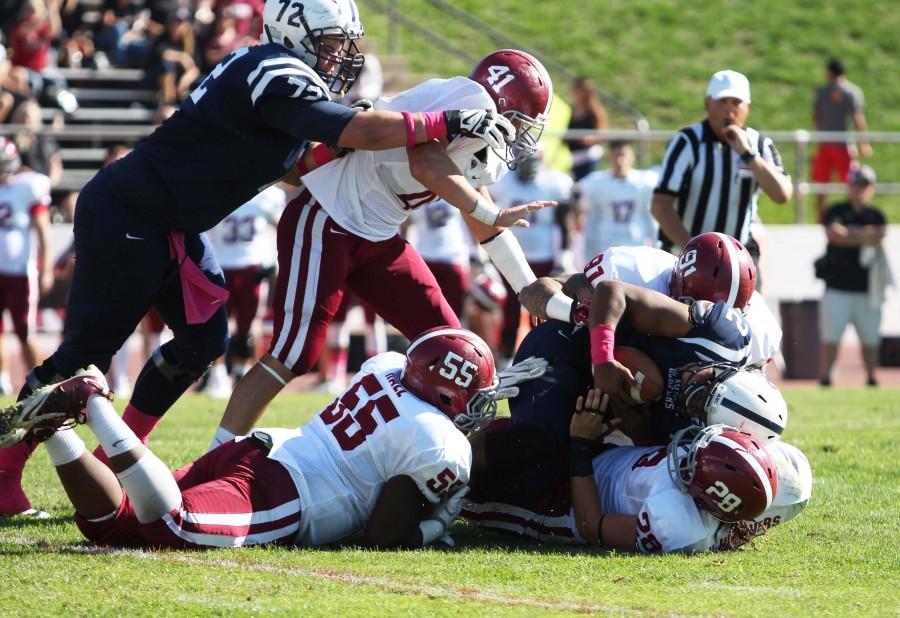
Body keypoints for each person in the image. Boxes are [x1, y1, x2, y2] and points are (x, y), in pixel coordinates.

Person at [0, 0, 516, 517]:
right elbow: (354, 131)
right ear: (295, 32)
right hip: (130, 215)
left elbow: (297, 166)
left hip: (169, 222)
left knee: (204, 340)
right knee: (85, 354)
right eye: (333, 41)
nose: (340, 55)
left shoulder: (278, 77)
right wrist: (441, 120)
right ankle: (4, 473)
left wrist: (373, 135)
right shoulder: (274, 70)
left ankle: (117, 456)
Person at [210, 48, 556, 447]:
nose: (523, 133)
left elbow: (478, 210)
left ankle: (457, 460)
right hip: (328, 217)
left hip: (379, 236)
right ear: (500, 103)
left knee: (453, 351)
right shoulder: (470, 101)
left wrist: (526, 285)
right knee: (294, 352)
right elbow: (427, 163)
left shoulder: (477, 131)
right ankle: (216, 453)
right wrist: (490, 211)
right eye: (520, 120)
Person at [0, 328, 497, 549]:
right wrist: (437, 526)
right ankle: (92, 403)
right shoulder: (440, 442)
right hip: (290, 492)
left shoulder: (387, 365)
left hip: (262, 449)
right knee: (172, 526)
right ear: (451, 391)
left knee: (115, 528)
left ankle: (58, 430)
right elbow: (385, 536)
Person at [463, 409, 811, 554]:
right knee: (509, 432)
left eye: (691, 466)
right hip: (602, 458)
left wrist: (580, 444)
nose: (685, 452)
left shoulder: (680, 525)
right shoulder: (792, 479)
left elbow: (592, 526)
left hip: (565, 504)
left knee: (471, 492)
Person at [520, 233, 782, 369]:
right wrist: (574, 311)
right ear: (678, 287)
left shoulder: (761, 330)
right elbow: (537, 290)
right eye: (702, 309)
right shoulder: (638, 271)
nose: (711, 321)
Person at [651, 69, 793, 275]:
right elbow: (660, 204)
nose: (730, 109)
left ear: (748, 107)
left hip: (738, 258)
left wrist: (748, 155)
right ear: (708, 104)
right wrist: (694, 249)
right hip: (684, 256)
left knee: (754, 307)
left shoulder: (759, 145)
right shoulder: (687, 141)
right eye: (723, 101)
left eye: (736, 102)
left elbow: (782, 194)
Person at [488, 150, 574, 360]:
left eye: (533, 160)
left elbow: (564, 223)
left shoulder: (555, 183)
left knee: (546, 309)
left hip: (544, 256)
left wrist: (564, 255)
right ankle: (508, 359)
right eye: (525, 160)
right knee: (509, 311)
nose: (529, 166)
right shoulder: (501, 183)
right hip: (511, 255)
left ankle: (546, 357)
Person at [205, 184, 287, 397]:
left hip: (253, 266)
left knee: (248, 325)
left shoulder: (270, 196)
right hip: (220, 266)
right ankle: (219, 374)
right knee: (216, 325)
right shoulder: (218, 191)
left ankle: (242, 372)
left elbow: (283, 229)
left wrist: (274, 262)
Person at [818, 165, 890, 387]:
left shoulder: (875, 215)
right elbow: (834, 235)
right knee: (831, 338)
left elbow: (877, 235)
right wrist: (862, 235)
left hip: (867, 289)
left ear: (871, 188)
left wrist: (849, 233)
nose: (860, 190)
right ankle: (827, 377)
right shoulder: (836, 210)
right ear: (849, 186)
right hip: (837, 286)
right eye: (857, 185)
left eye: (865, 186)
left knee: (870, 339)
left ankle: (870, 377)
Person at [0, 138, 52, 399]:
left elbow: (43, 228)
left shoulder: (28, 186)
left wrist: (47, 267)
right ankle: (2, 380)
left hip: (21, 272)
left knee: (24, 330)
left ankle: (37, 381)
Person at [575, 140, 659, 256]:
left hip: (636, 243)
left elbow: (650, 215)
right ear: (609, 157)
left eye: (623, 155)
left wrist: (656, 246)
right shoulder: (596, 183)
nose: (619, 161)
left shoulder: (645, 182)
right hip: (606, 244)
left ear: (632, 157)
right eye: (615, 156)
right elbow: (591, 218)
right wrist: (589, 252)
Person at [811, 58, 871, 221]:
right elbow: (858, 118)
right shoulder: (852, 92)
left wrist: (821, 131)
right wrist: (863, 142)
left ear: (829, 72)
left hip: (825, 143)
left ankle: (821, 216)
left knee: (822, 183)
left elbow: (816, 116)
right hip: (843, 143)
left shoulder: (822, 91)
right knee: (852, 182)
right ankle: (853, 214)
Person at [564, 77, 607, 180]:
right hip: (575, 156)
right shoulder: (573, 109)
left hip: (589, 156)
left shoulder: (595, 111)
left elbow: (601, 134)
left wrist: (587, 139)